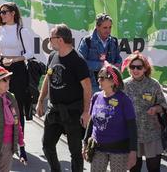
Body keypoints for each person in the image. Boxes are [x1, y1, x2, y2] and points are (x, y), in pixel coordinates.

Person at [36, 24, 91, 172]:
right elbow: (48, 78)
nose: (49, 41)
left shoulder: (77, 60)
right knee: (47, 144)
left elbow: (87, 87)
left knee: (75, 152)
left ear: (60, 39)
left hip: (73, 112)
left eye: (51, 38)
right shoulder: (53, 56)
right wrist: (41, 101)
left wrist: (86, 112)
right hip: (54, 111)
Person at [121, 52, 167, 172]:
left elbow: (163, 105)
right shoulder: (124, 85)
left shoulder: (154, 84)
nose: (135, 70)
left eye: (139, 67)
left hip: (152, 134)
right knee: (134, 169)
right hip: (132, 135)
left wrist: (156, 109)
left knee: (154, 168)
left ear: (145, 68)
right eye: (132, 67)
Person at [88, 64, 138, 172]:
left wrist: (133, 151)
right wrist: (85, 143)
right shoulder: (96, 96)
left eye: (102, 78)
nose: (98, 80)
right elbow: (91, 121)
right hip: (98, 147)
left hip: (119, 149)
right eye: (98, 77)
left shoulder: (124, 100)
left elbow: (132, 127)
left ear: (112, 81)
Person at [0, 3, 32, 127]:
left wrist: (14, 60)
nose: (1, 15)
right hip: (2, 69)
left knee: (17, 104)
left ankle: (19, 139)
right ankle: (5, 138)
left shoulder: (21, 30)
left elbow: (30, 53)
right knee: (2, 102)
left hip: (17, 69)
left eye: (4, 12)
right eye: (0, 12)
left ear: (13, 13)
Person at [78, 13, 123, 89]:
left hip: (110, 85)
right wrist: (102, 65)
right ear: (97, 27)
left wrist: (116, 66)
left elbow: (118, 58)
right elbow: (80, 63)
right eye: (105, 28)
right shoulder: (87, 41)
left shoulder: (114, 41)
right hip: (92, 86)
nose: (108, 30)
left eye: (110, 27)